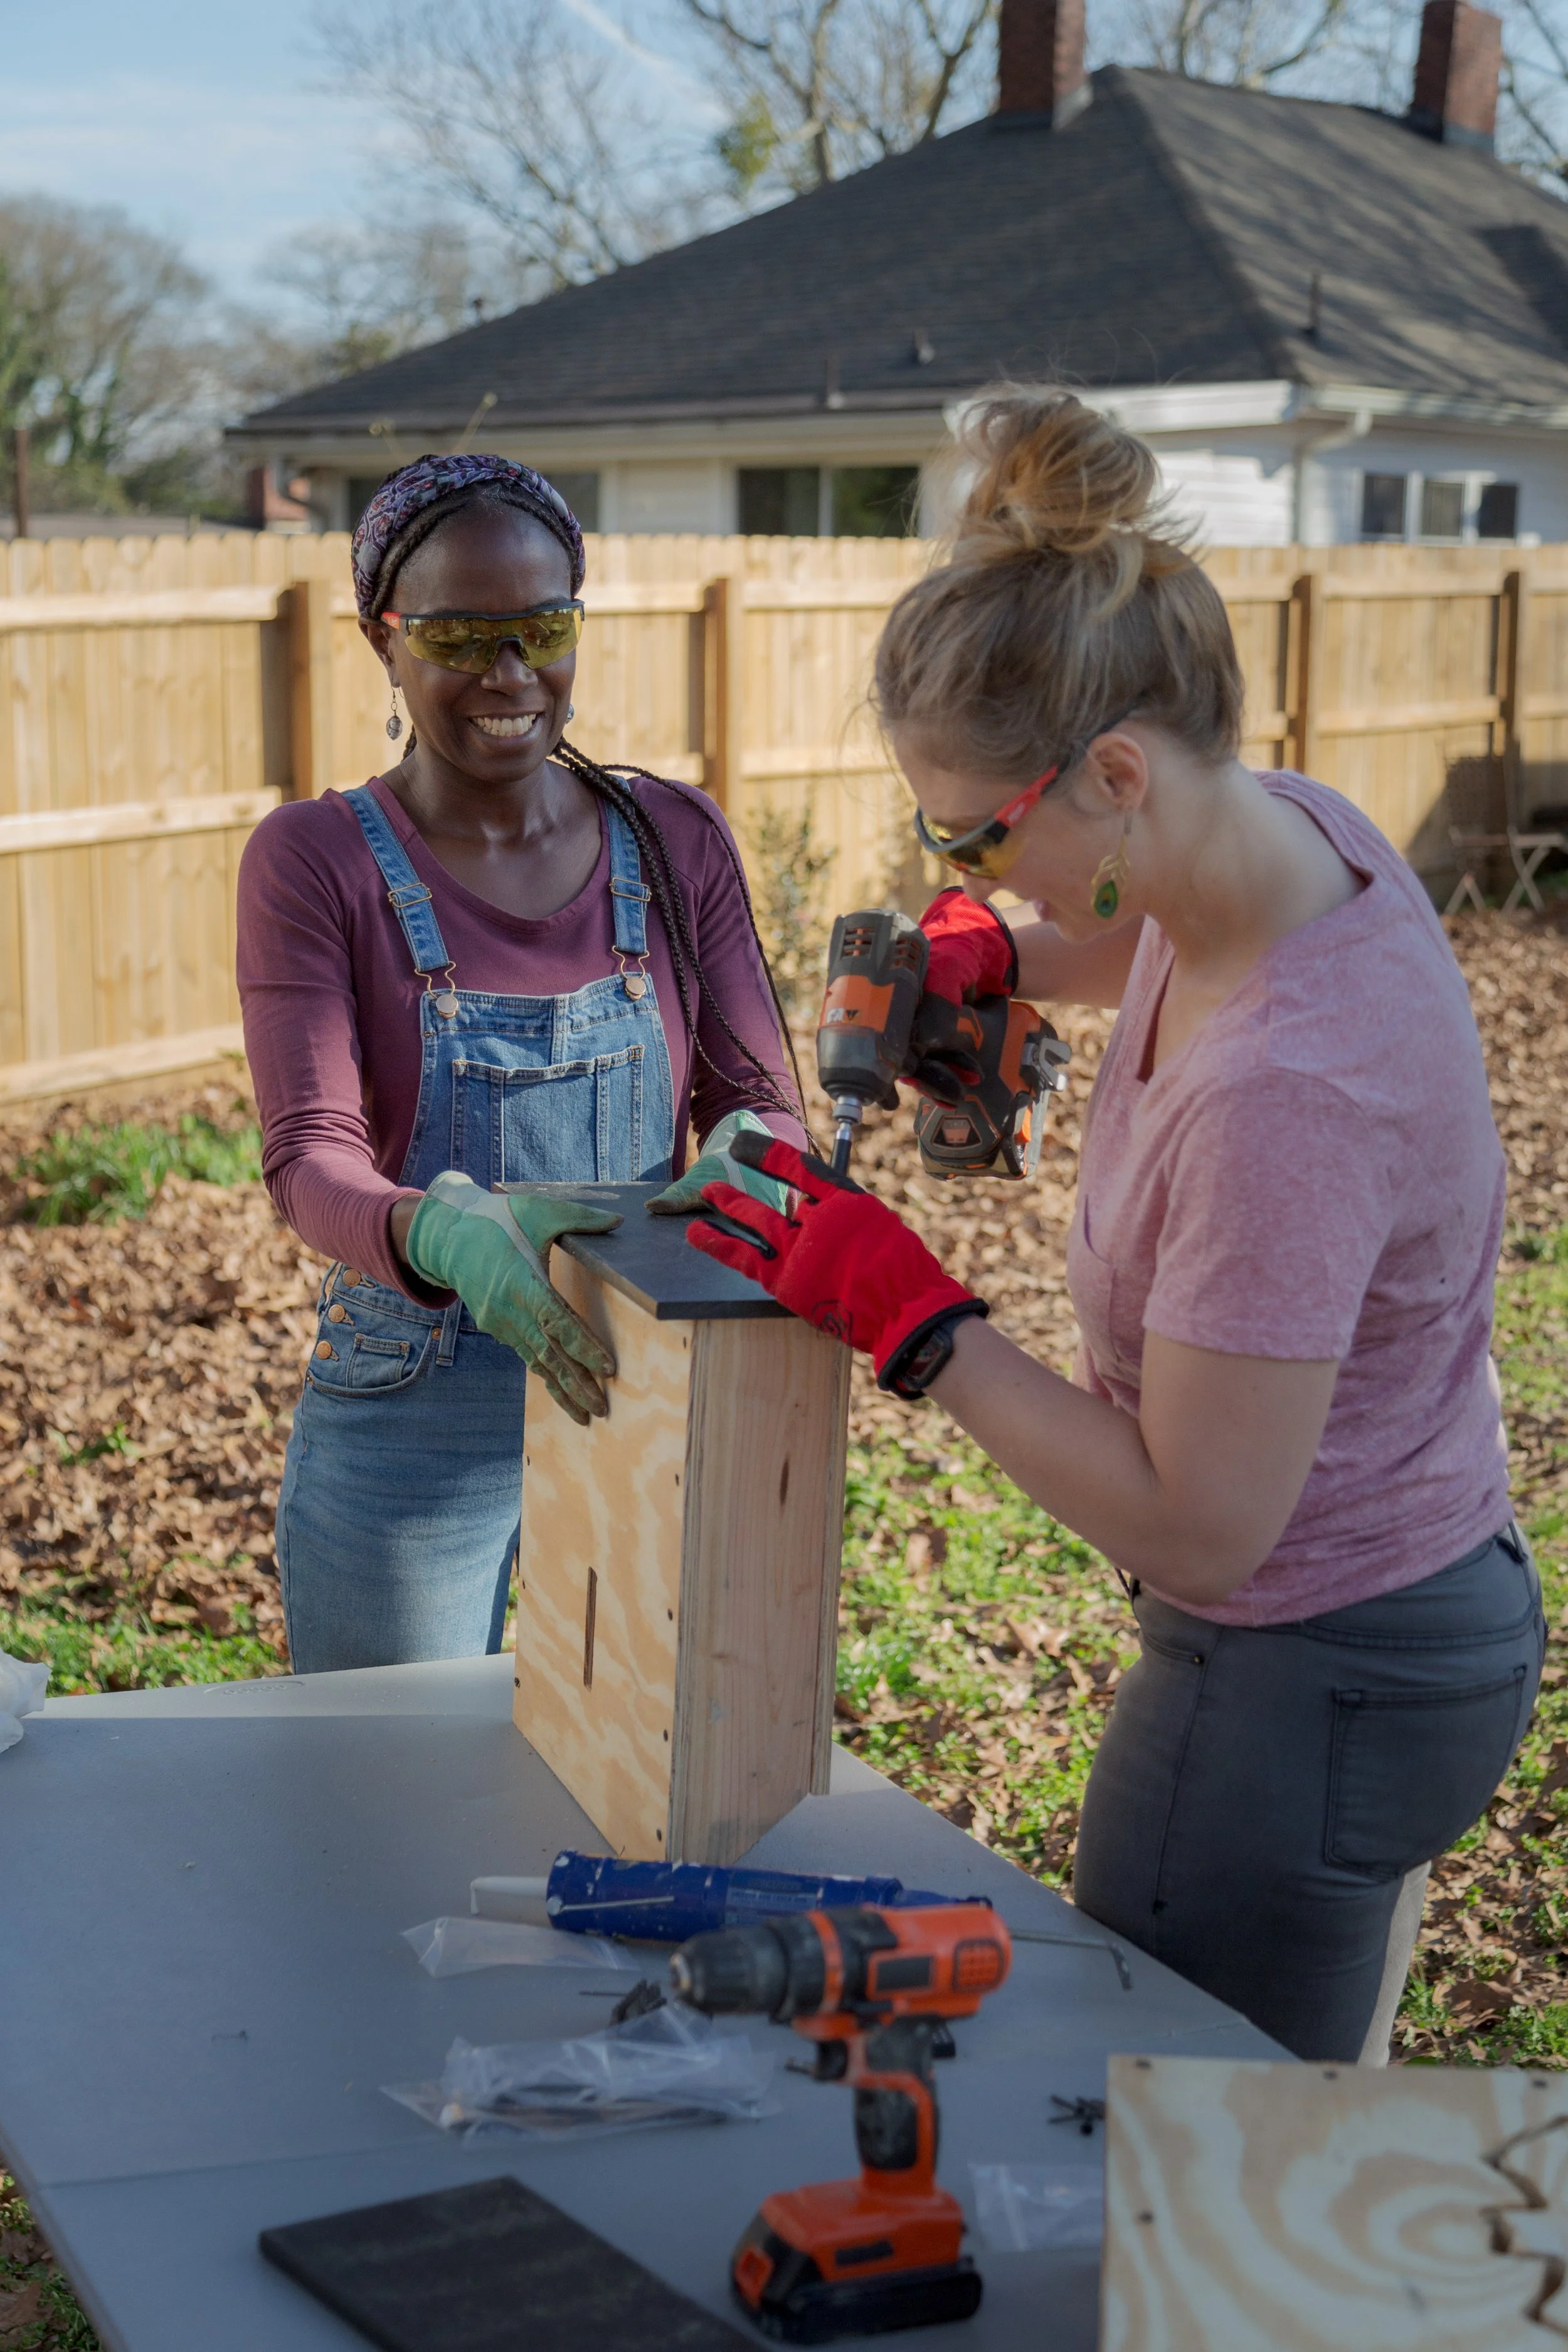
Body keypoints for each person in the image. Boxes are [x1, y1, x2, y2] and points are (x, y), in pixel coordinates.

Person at [687, 390, 1545, 2065]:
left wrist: (914, 1318)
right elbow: (1143, 929)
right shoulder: (1289, 835)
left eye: (979, 830)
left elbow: (1200, 1523)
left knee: (1185, 2162)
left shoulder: (1283, 1098)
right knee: (1303, 2135)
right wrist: (1003, 955)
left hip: (1304, 1668)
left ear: (1117, 768)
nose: (967, 860)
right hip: (1420, 1595)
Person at [238, 453, 802, 1675]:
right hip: (415, 1405)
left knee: (631, 1790)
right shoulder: (315, 861)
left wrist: (755, 1161)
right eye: (458, 635)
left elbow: (758, 1101)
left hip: (646, 1380)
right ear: (381, 641)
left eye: (542, 628)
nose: (509, 674)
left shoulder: (674, 837)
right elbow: (307, 1156)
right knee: (392, 1800)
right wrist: (444, 1233)